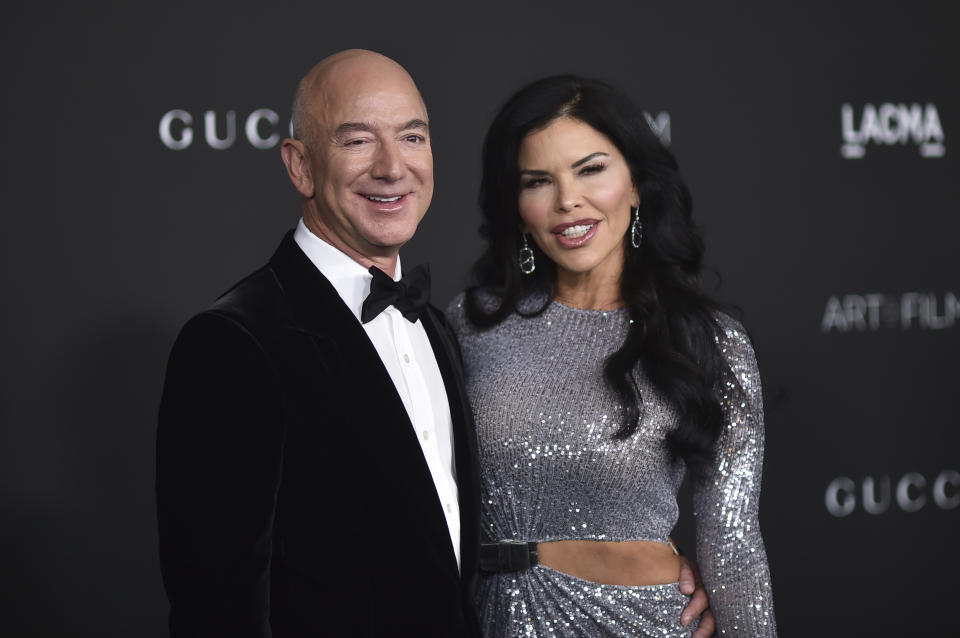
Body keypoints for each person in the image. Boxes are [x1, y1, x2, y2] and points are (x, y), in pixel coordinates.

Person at [156, 50, 713, 637]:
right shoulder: (234, 342)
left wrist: (646, 563)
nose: (393, 167)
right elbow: (215, 607)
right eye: (357, 141)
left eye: (412, 137)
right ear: (300, 167)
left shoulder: (441, 331)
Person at [446, 75, 776, 637]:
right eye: (538, 181)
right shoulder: (469, 323)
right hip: (487, 619)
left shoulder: (707, 341)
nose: (567, 200)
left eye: (590, 169)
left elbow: (733, 544)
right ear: (518, 205)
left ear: (636, 184)